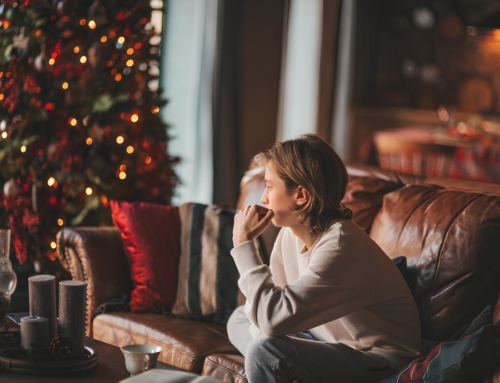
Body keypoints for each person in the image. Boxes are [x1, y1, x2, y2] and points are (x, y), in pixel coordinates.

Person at [227, 134, 424, 383]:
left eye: (269, 186)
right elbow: (267, 309)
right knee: (239, 317)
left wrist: (244, 246)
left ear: (301, 196)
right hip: (322, 338)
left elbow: (272, 319)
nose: (263, 199)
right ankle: (288, 368)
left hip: (378, 359)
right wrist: (271, 331)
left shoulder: (342, 246)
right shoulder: (291, 233)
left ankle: (283, 367)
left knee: (264, 350)